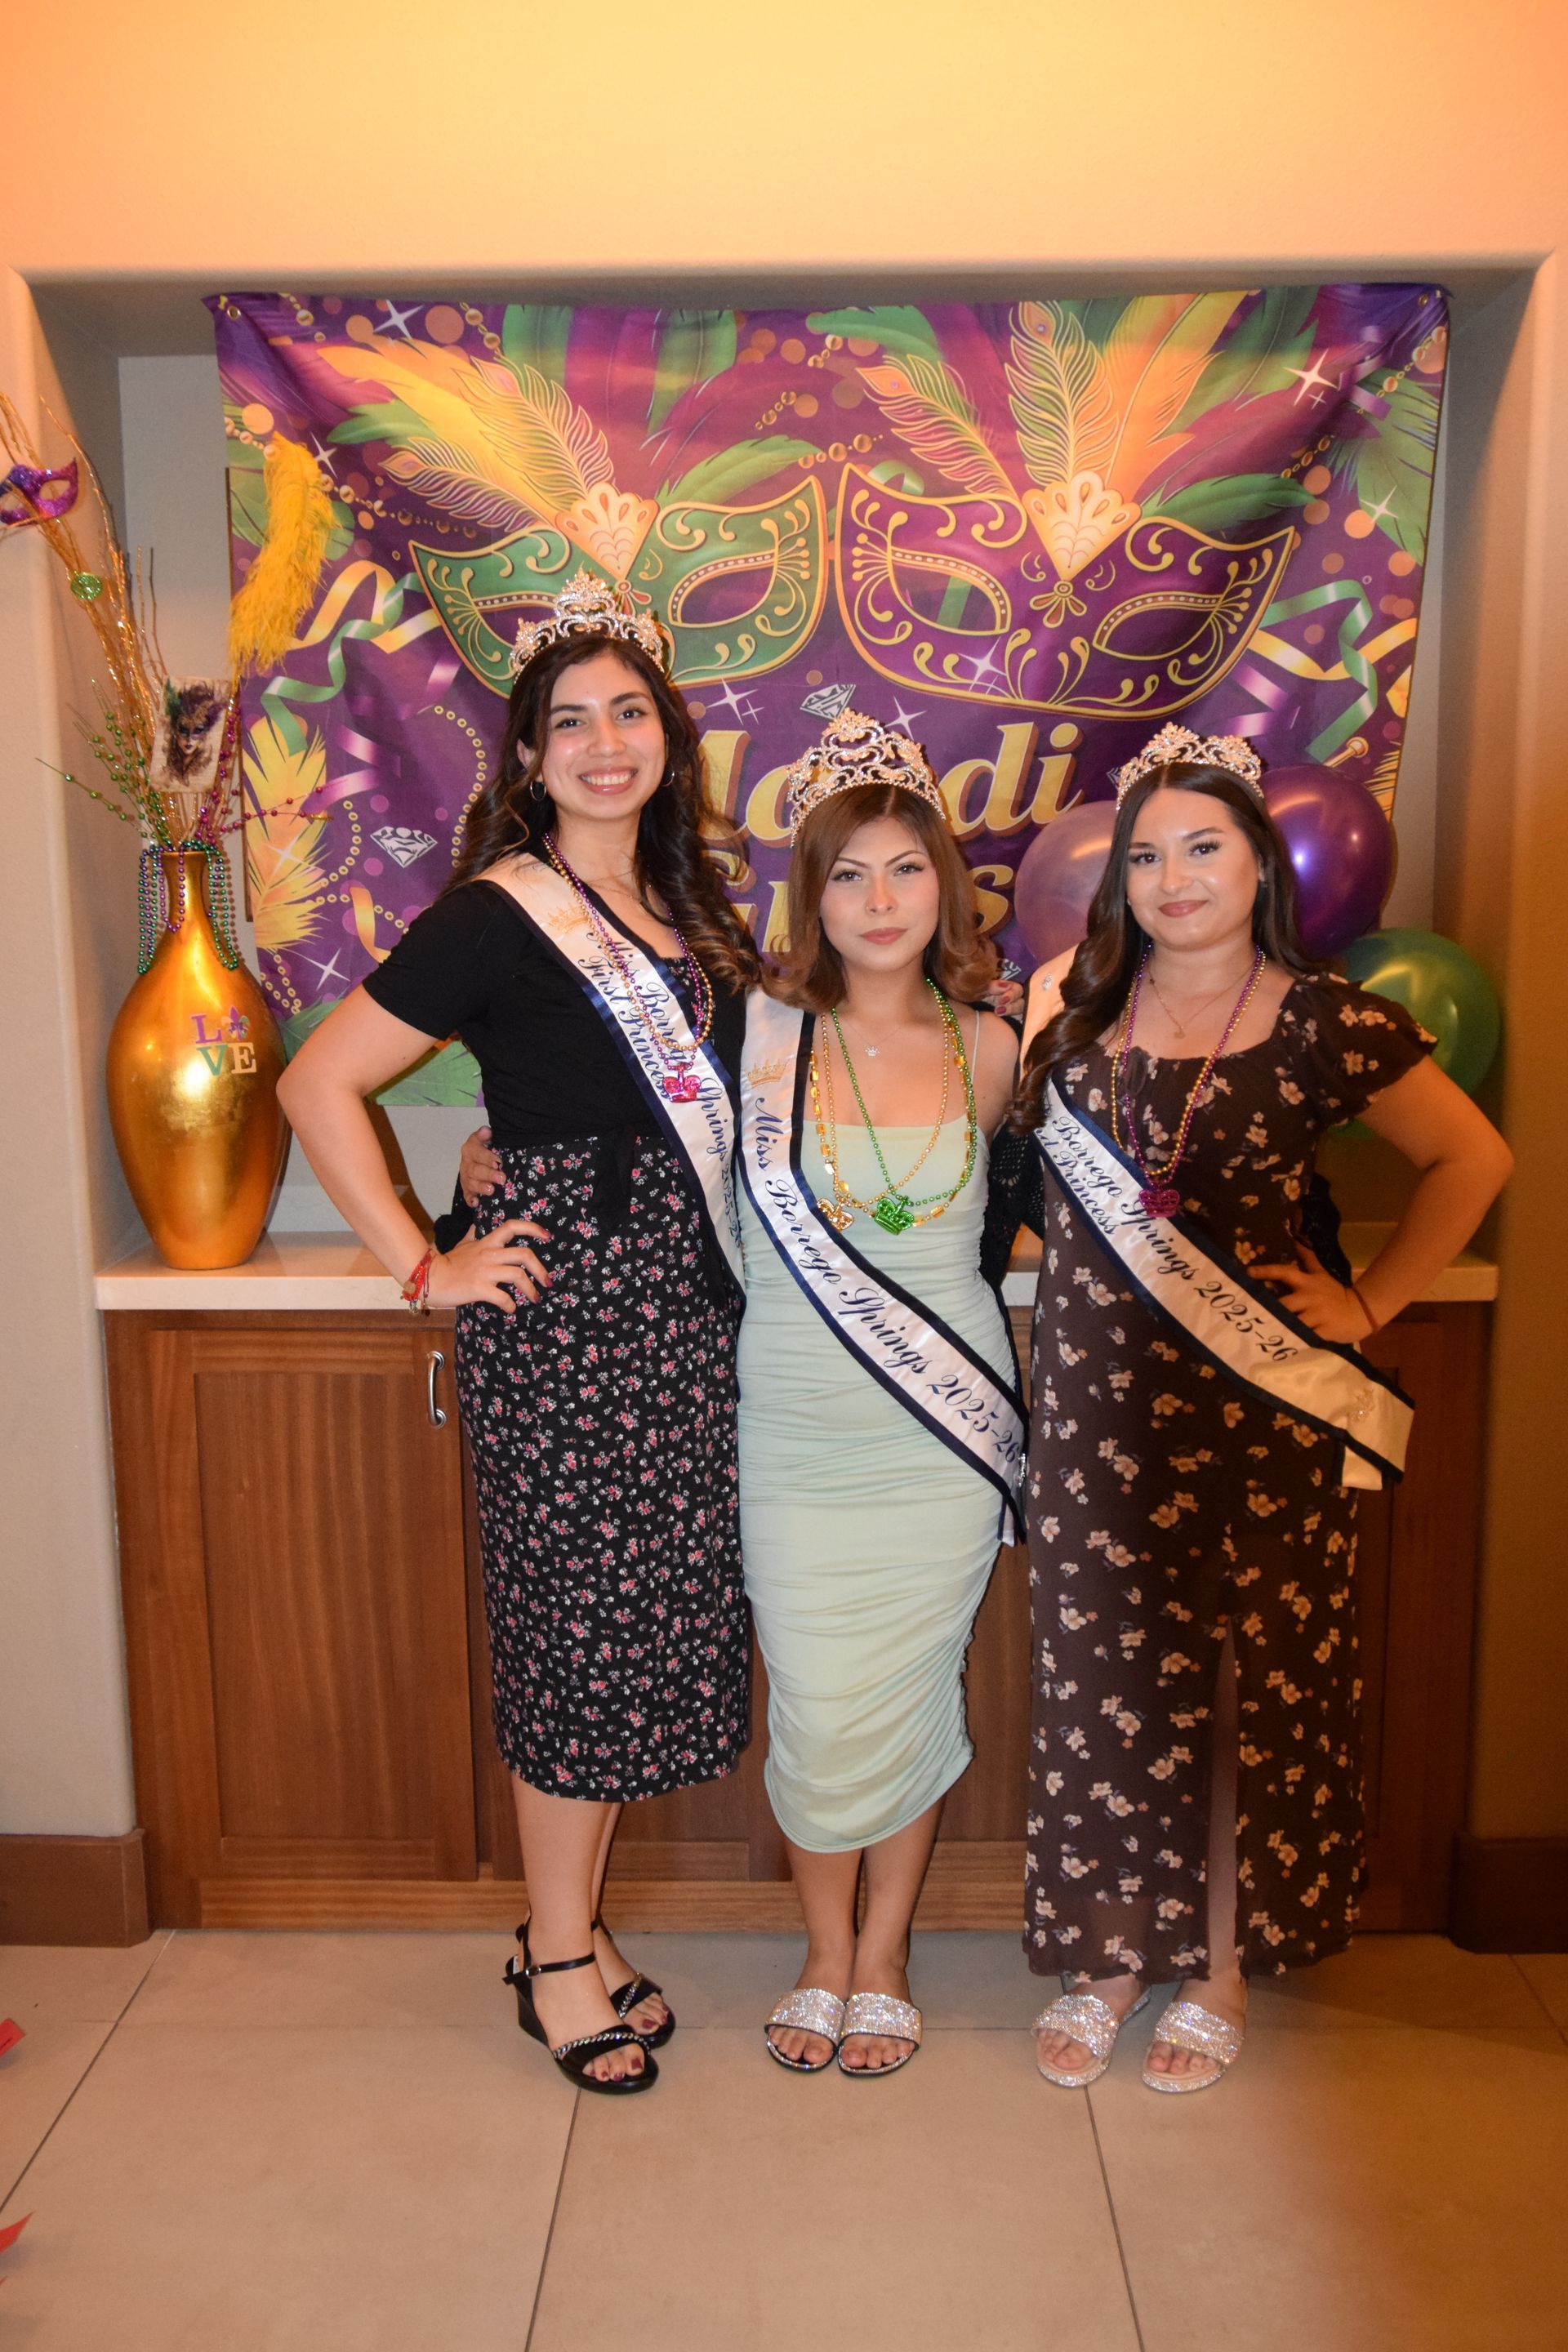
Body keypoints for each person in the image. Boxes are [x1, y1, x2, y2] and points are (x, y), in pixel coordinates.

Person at [277, 570, 761, 2095]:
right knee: (577, 1645)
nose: (605, 743)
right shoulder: (497, 911)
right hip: (564, 1325)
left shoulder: (694, 910)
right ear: (533, 758)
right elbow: (317, 1085)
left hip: (681, 1319)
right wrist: (425, 1264)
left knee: (636, 1639)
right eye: (572, 723)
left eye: (629, 713)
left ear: (667, 739)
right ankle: (555, 1956)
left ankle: (577, 1926)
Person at [1013, 723, 1512, 2093]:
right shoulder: (1069, 1005)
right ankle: (1110, 1954)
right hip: (1101, 1417)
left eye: (1205, 847)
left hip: (1258, 1420)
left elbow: (1474, 1157)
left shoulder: (1326, 1016)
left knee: (1242, 1695)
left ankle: (1219, 1962)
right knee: (1107, 1689)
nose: (1175, 878)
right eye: (1148, 855)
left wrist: (1372, 1303)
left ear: (1258, 863)